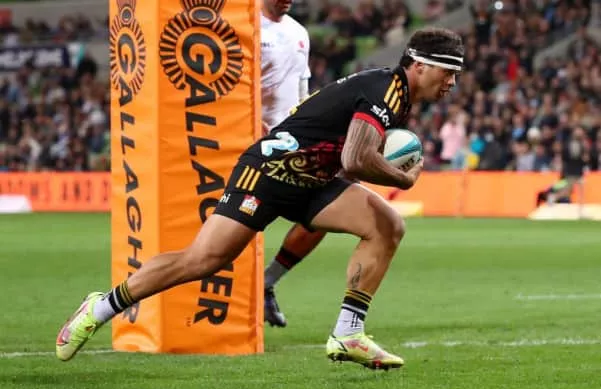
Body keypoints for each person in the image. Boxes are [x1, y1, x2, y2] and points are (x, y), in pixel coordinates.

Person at [56, 27, 464, 370]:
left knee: (388, 226)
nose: (452, 83)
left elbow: (348, 162)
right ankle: (100, 308)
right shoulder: (385, 91)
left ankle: (348, 333)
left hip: (311, 179)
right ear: (419, 65)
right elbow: (355, 159)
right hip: (269, 172)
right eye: (448, 72)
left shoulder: (395, 95)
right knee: (203, 260)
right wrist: (402, 178)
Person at [259, 0, 325, 328]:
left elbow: (301, 93)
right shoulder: (247, 27)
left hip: (290, 147)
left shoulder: (299, 32)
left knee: (326, 211)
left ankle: (265, 283)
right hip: (249, 146)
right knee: (235, 229)